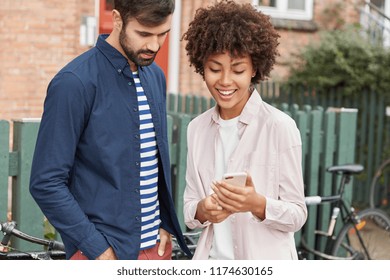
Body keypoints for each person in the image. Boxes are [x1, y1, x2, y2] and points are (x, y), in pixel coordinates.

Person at [29, 0, 191, 260]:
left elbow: (152, 162)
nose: (154, 45)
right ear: (117, 19)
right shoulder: (73, 83)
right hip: (102, 255)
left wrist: (164, 225)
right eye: (144, 34)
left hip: (157, 251)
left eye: (163, 34)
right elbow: (45, 182)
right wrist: (98, 250)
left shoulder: (155, 76)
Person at [182, 0, 307, 260]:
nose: (225, 81)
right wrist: (204, 210)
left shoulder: (279, 127)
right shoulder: (196, 129)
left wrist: (258, 205)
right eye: (214, 69)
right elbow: (190, 210)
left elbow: (297, 214)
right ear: (201, 67)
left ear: (254, 70)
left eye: (238, 69)